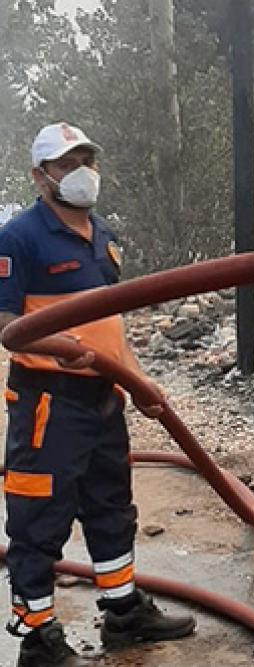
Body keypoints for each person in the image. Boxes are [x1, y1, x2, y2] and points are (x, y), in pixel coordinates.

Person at [0, 123, 195, 667]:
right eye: (67, 163)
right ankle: (38, 640)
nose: (82, 171)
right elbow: (6, 323)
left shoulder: (103, 234)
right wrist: (59, 346)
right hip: (50, 402)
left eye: (87, 159)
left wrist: (138, 380)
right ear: (40, 177)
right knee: (40, 516)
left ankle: (123, 612)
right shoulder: (18, 238)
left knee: (111, 505)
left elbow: (110, 324)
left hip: (104, 397)